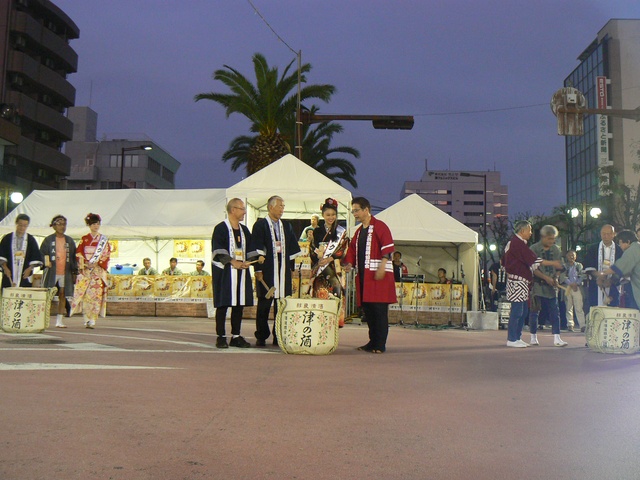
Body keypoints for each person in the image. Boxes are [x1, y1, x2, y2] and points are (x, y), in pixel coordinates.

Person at [343, 197, 397, 354]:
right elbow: (352, 252)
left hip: (379, 279)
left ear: (366, 210)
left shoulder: (380, 227)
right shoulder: (359, 232)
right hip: (364, 279)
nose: (354, 214)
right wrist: (348, 264)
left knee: (379, 312)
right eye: (353, 211)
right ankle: (372, 341)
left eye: (356, 210)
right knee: (369, 313)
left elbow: (388, 248)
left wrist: (382, 265)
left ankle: (380, 344)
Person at [502, 221, 563, 348]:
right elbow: (534, 260)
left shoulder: (519, 244)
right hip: (517, 281)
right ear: (522, 231)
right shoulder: (517, 244)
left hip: (522, 282)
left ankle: (517, 337)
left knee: (523, 311)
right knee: (518, 311)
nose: (530, 233)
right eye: (529, 230)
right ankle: (512, 338)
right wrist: (553, 264)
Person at [251, 195, 301, 346]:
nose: (282, 209)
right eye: (280, 206)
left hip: (283, 270)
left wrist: (291, 269)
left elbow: (292, 248)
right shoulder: (260, 225)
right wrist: (258, 270)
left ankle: (278, 335)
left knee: (282, 305)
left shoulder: (286, 226)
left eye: (283, 207)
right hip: (267, 271)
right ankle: (261, 335)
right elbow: (256, 248)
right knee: (264, 305)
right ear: (270, 207)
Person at [211, 198, 257, 349]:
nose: (244, 212)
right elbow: (218, 250)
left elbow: (250, 249)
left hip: (241, 274)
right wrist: (232, 261)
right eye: (242, 209)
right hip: (225, 273)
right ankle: (221, 336)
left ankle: (236, 336)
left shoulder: (244, 230)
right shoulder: (221, 228)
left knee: (239, 304)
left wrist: (254, 259)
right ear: (233, 210)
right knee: (223, 304)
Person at [309, 198, 349, 327]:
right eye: (328, 215)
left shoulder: (340, 232)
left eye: (333, 214)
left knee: (336, 288)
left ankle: (335, 321)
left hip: (334, 267)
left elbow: (342, 249)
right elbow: (312, 247)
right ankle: (319, 322)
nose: (330, 217)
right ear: (323, 215)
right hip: (320, 268)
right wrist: (319, 259)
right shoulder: (317, 231)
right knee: (320, 293)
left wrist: (329, 259)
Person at [528, 225, 567, 346]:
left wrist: (555, 277)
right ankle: (533, 336)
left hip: (551, 286)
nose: (552, 241)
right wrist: (546, 278)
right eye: (549, 238)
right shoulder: (533, 248)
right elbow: (533, 268)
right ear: (543, 237)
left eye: (553, 238)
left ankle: (557, 337)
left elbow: (560, 266)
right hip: (537, 284)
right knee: (534, 311)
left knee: (555, 311)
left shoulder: (556, 249)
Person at [71, 213, 111, 329]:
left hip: (97, 271)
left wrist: (97, 263)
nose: (96, 226)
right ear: (89, 225)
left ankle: (92, 319)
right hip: (86, 270)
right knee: (86, 295)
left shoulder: (103, 240)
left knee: (96, 295)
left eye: (97, 223)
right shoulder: (84, 239)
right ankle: (86, 318)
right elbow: (79, 253)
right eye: (93, 224)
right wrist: (84, 263)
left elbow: (106, 254)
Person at [40, 215, 77, 328]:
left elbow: (73, 257)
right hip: (52, 271)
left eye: (64, 224)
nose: (62, 227)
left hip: (65, 272)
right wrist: (46, 262)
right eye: (60, 224)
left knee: (62, 294)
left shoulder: (69, 240)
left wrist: (74, 272)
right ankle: (43, 319)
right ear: (54, 226)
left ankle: (59, 320)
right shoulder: (48, 240)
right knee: (47, 295)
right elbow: (42, 253)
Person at [599, 230, 640, 310]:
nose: (620, 245)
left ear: (628, 242)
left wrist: (602, 273)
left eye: (620, 242)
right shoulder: (637, 247)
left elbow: (620, 266)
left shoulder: (633, 249)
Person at [584, 224, 621, 310]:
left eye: (608, 234)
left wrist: (611, 280)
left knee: (612, 311)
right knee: (595, 311)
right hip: (596, 285)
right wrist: (597, 275)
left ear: (613, 234)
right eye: (603, 234)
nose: (606, 236)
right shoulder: (593, 248)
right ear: (600, 234)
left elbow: (622, 269)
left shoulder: (619, 250)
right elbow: (588, 265)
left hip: (613, 285)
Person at [0, 213, 43, 288]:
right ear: (16, 223)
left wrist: (30, 269)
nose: (22, 228)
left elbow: (35, 257)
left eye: (25, 226)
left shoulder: (30, 240)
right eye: (20, 225)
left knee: (23, 295)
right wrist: (5, 268)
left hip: (24, 273)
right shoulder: (7, 238)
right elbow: (2, 255)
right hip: (9, 272)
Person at [559, 250, 586, 332]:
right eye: (570, 255)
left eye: (573, 255)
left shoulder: (579, 265)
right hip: (567, 288)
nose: (571, 257)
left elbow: (582, 275)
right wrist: (570, 284)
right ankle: (570, 325)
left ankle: (582, 325)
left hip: (577, 288)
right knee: (568, 307)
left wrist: (576, 283)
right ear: (566, 256)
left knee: (579, 307)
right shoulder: (564, 266)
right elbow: (562, 276)